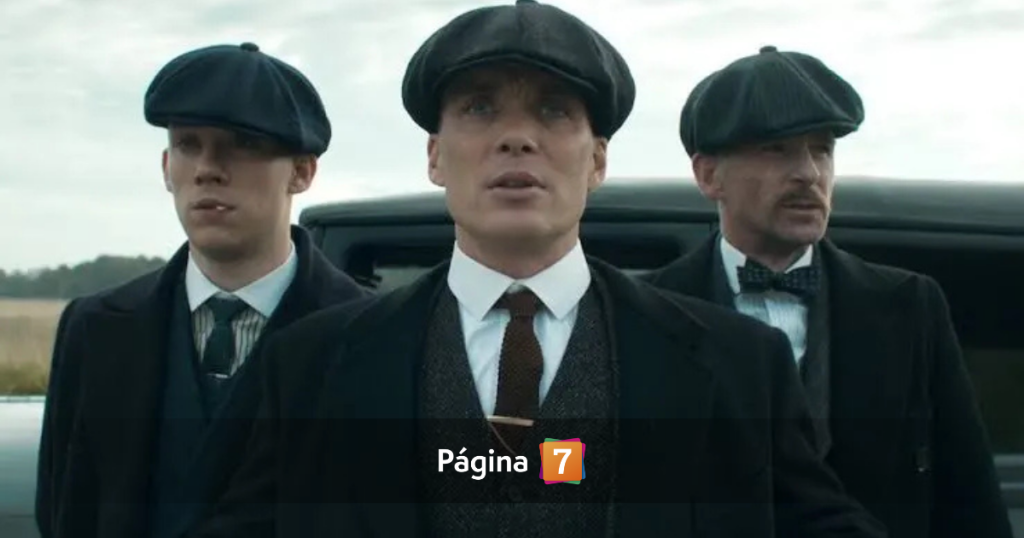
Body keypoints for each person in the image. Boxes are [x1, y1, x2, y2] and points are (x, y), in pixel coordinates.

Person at [188, 2, 886, 537]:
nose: (517, 136)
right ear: (435, 156)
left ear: (597, 160)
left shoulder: (739, 364)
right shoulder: (310, 366)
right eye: (480, 107)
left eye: (553, 110)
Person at [644, 45, 1013, 538]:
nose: (809, 173)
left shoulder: (909, 305)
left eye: (821, 150)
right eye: (776, 149)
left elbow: (970, 497)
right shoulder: (647, 311)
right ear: (709, 175)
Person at [34, 42, 371, 538]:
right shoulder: (94, 328)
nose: (207, 168)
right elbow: (62, 512)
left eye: (243, 144)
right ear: (165, 167)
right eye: (188, 144)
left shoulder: (374, 338)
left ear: (302, 172)